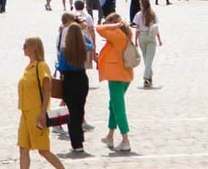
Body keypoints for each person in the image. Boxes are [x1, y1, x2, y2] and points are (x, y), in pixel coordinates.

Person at [15, 36, 65, 169]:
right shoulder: (28, 67)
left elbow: (48, 90)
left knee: (43, 150)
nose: (23, 48)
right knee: (23, 149)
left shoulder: (41, 66)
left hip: (36, 113)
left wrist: (43, 113)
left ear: (34, 48)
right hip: (25, 113)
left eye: (25, 46)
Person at [96, 12, 134, 152]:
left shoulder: (117, 33)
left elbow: (99, 28)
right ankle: (110, 136)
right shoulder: (126, 33)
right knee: (113, 105)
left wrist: (114, 26)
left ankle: (125, 140)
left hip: (116, 75)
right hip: (125, 75)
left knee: (118, 108)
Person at [57, 20, 91, 153]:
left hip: (69, 80)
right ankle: (80, 138)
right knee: (80, 110)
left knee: (71, 112)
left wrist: (56, 65)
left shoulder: (65, 50)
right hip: (82, 78)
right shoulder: (83, 48)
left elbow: (61, 67)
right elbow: (91, 44)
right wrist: (83, 35)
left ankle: (76, 143)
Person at [130, 0, 162, 88]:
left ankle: (149, 77)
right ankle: (147, 78)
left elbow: (137, 29)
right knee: (149, 59)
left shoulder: (138, 15)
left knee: (146, 58)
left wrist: (135, 40)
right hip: (151, 37)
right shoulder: (153, 14)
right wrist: (159, 39)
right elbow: (155, 28)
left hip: (142, 37)